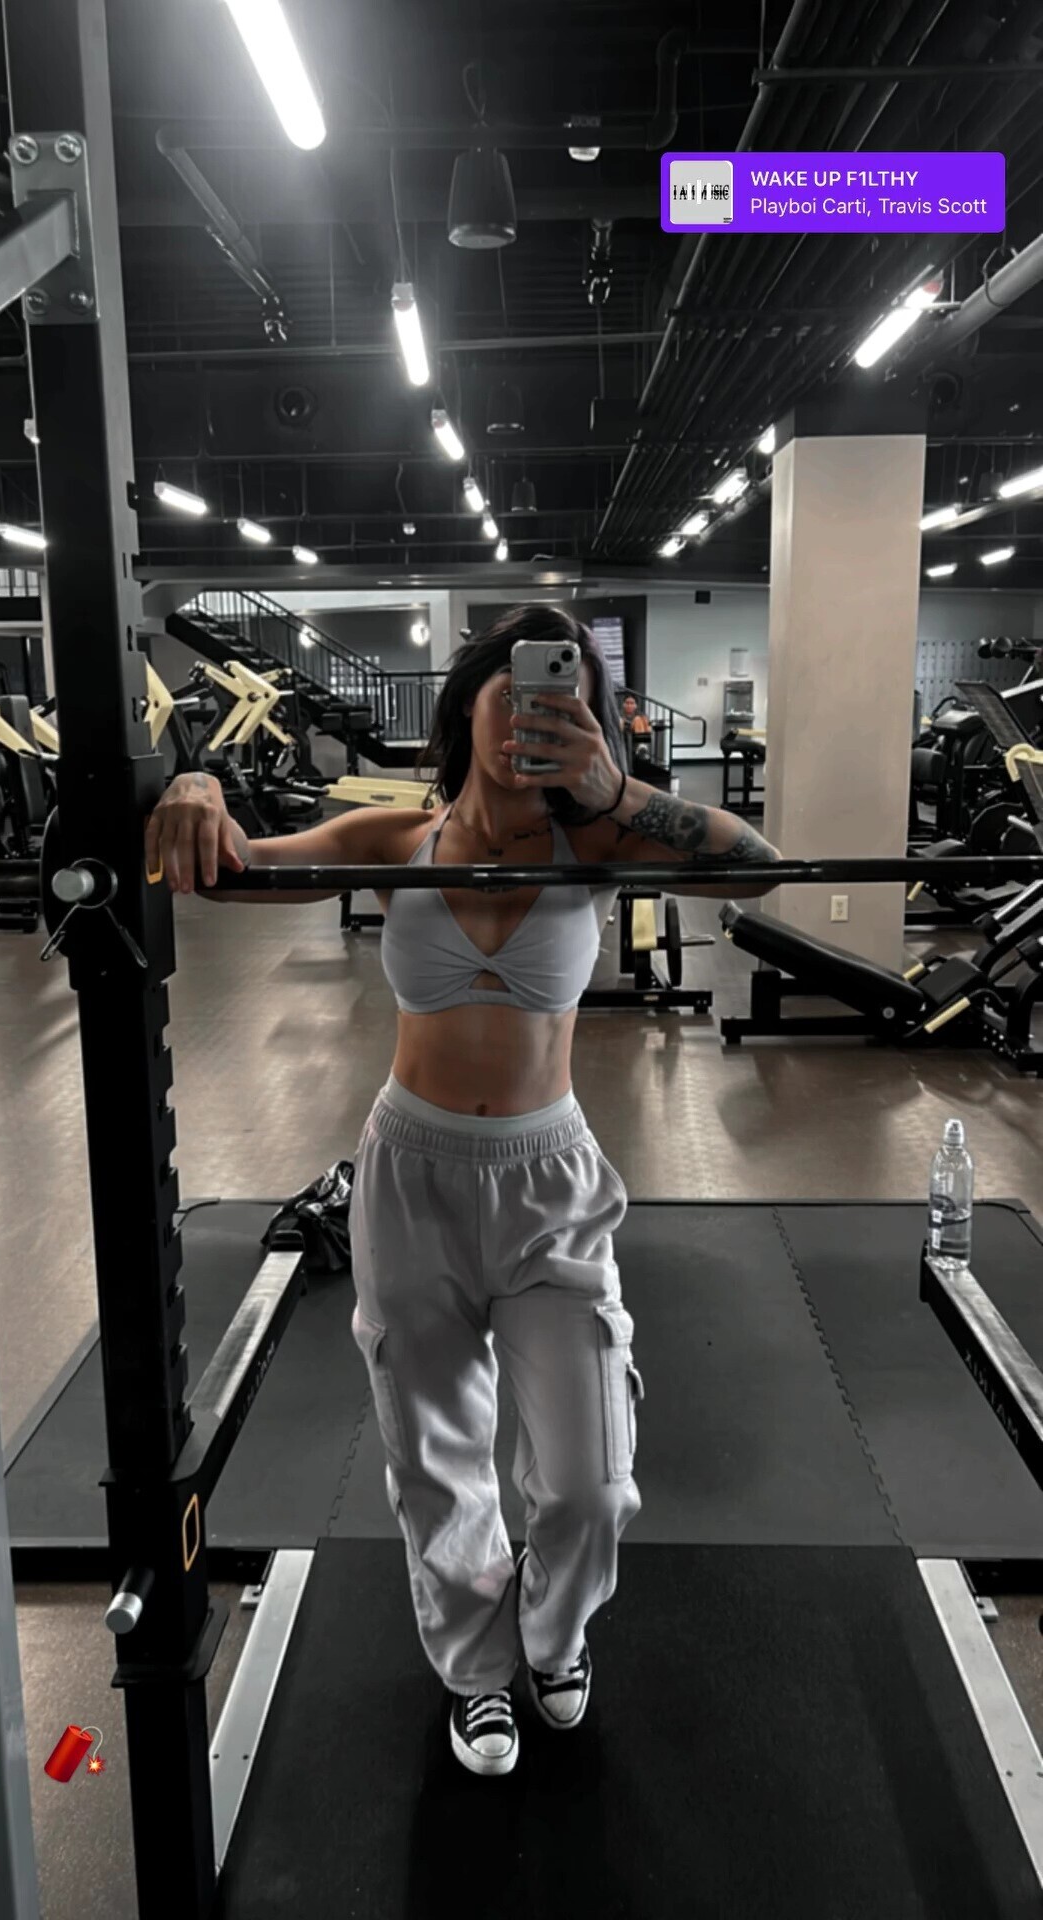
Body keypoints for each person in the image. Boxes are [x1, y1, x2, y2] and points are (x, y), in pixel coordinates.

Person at [144, 604, 781, 1781]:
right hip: (412, 1171)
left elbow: (757, 867)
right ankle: (477, 1670)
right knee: (435, 1455)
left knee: (590, 1482)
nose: (536, 712)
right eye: (517, 689)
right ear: (470, 699)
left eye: (567, 697)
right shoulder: (398, 838)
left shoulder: (598, 847)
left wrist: (614, 793)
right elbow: (232, 874)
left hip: (549, 1181)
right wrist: (190, 786)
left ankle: (554, 1633)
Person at [620, 692, 653, 771]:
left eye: (632, 703)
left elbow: (648, 728)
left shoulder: (640, 714)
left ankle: (641, 747)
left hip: (637, 735)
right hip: (626, 731)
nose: (629, 705)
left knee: (640, 719)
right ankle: (642, 746)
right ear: (623, 704)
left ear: (636, 705)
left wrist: (646, 724)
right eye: (627, 703)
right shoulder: (620, 713)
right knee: (637, 719)